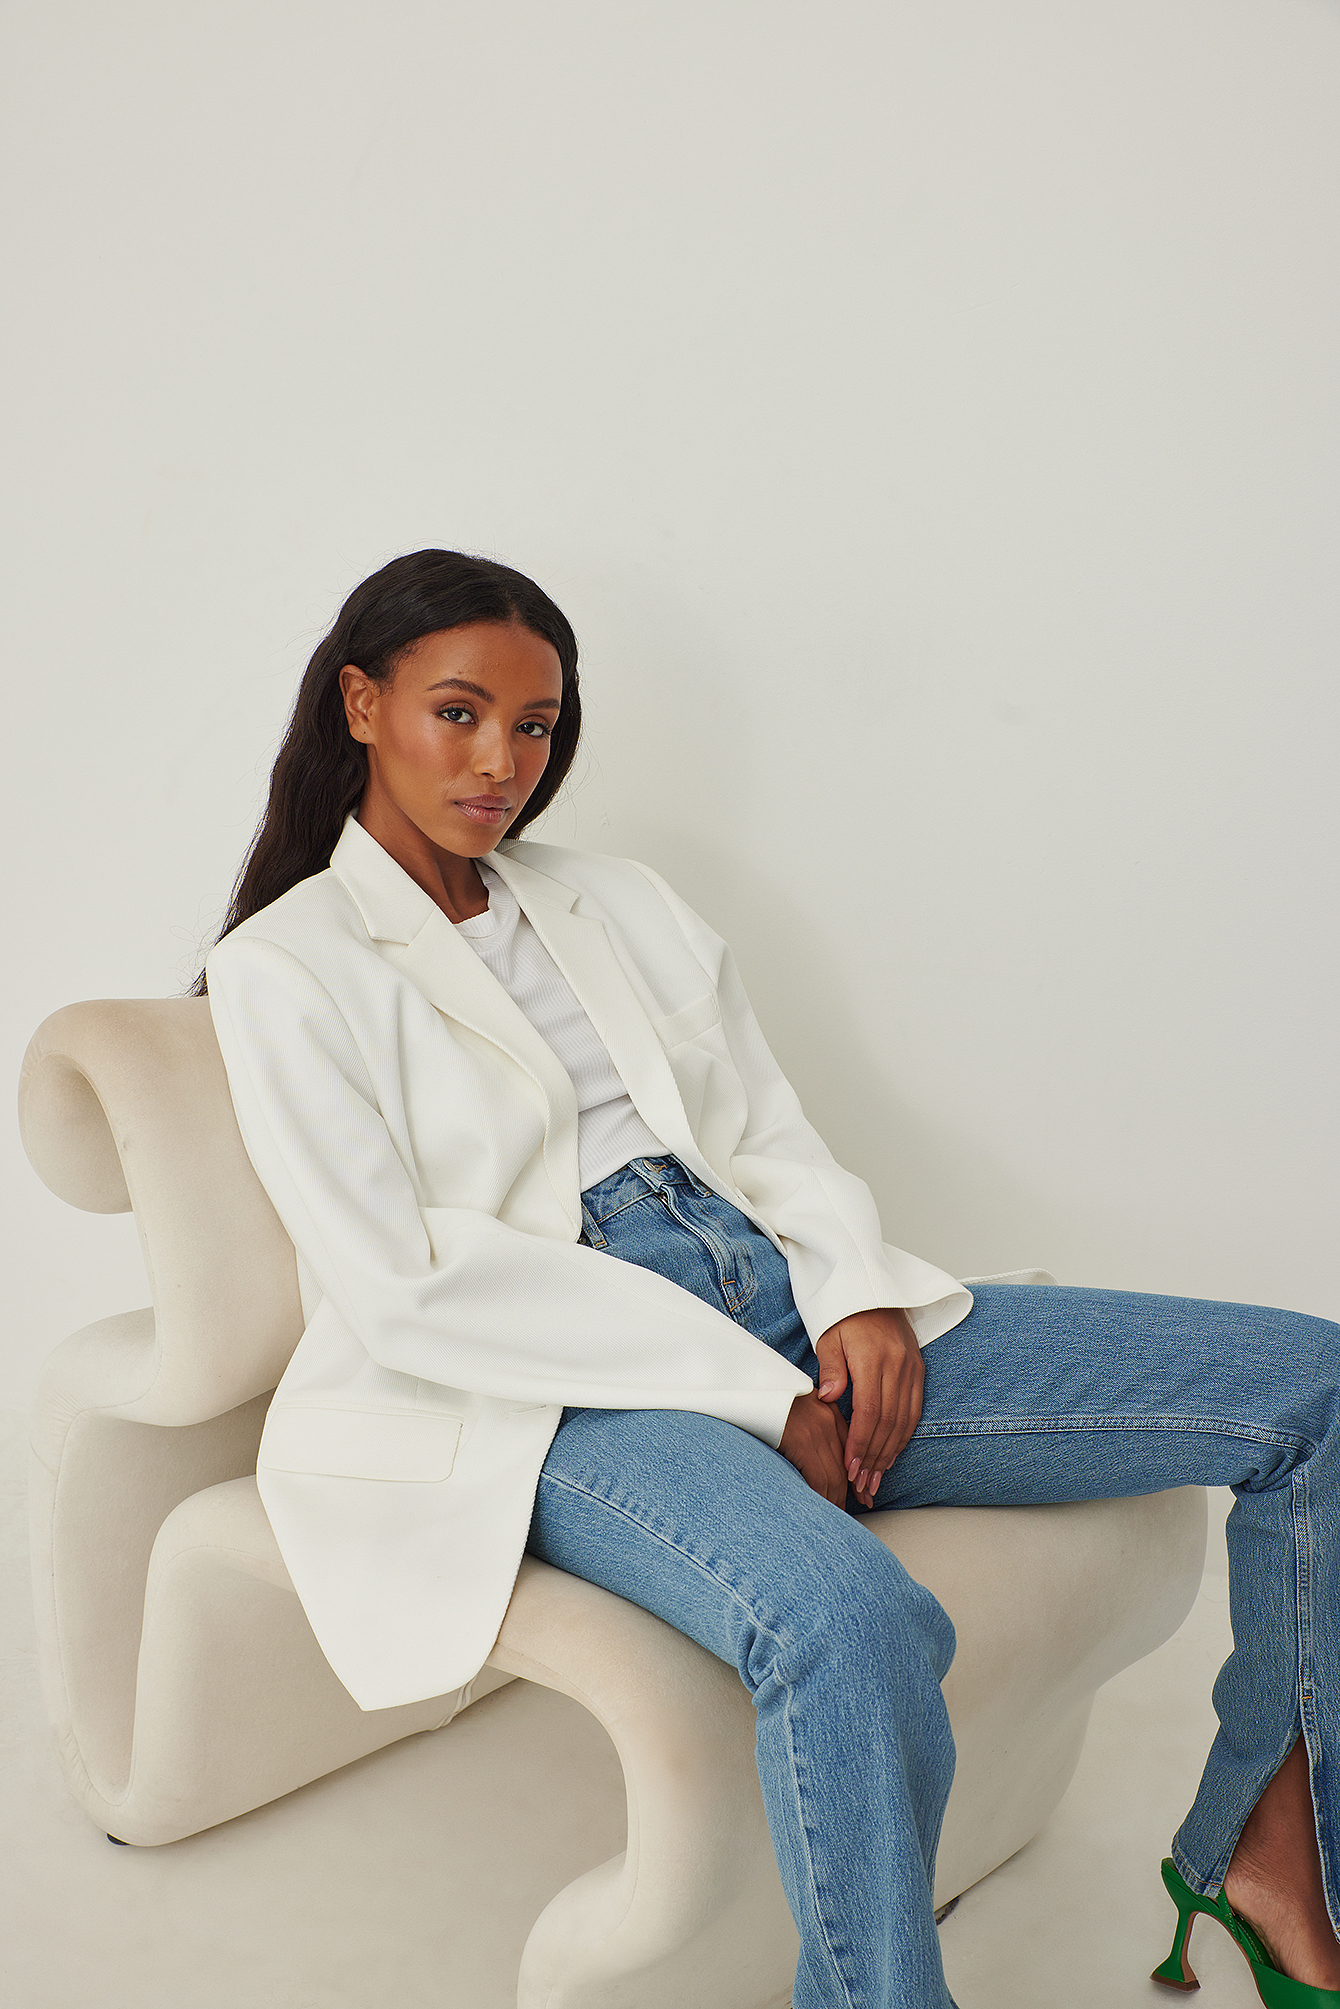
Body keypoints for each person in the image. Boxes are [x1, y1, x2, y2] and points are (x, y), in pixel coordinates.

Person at [199, 547, 1340, 2009]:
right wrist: (754, 1392)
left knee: (1312, 1388)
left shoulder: (612, 899)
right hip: (556, 1382)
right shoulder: (288, 966)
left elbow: (759, 1128)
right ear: (362, 704)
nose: (501, 763)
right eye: (459, 713)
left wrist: (853, 1290)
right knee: (852, 1621)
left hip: (775, 1288)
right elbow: (410, 1285)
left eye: (535, 725)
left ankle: (1268, 1844)